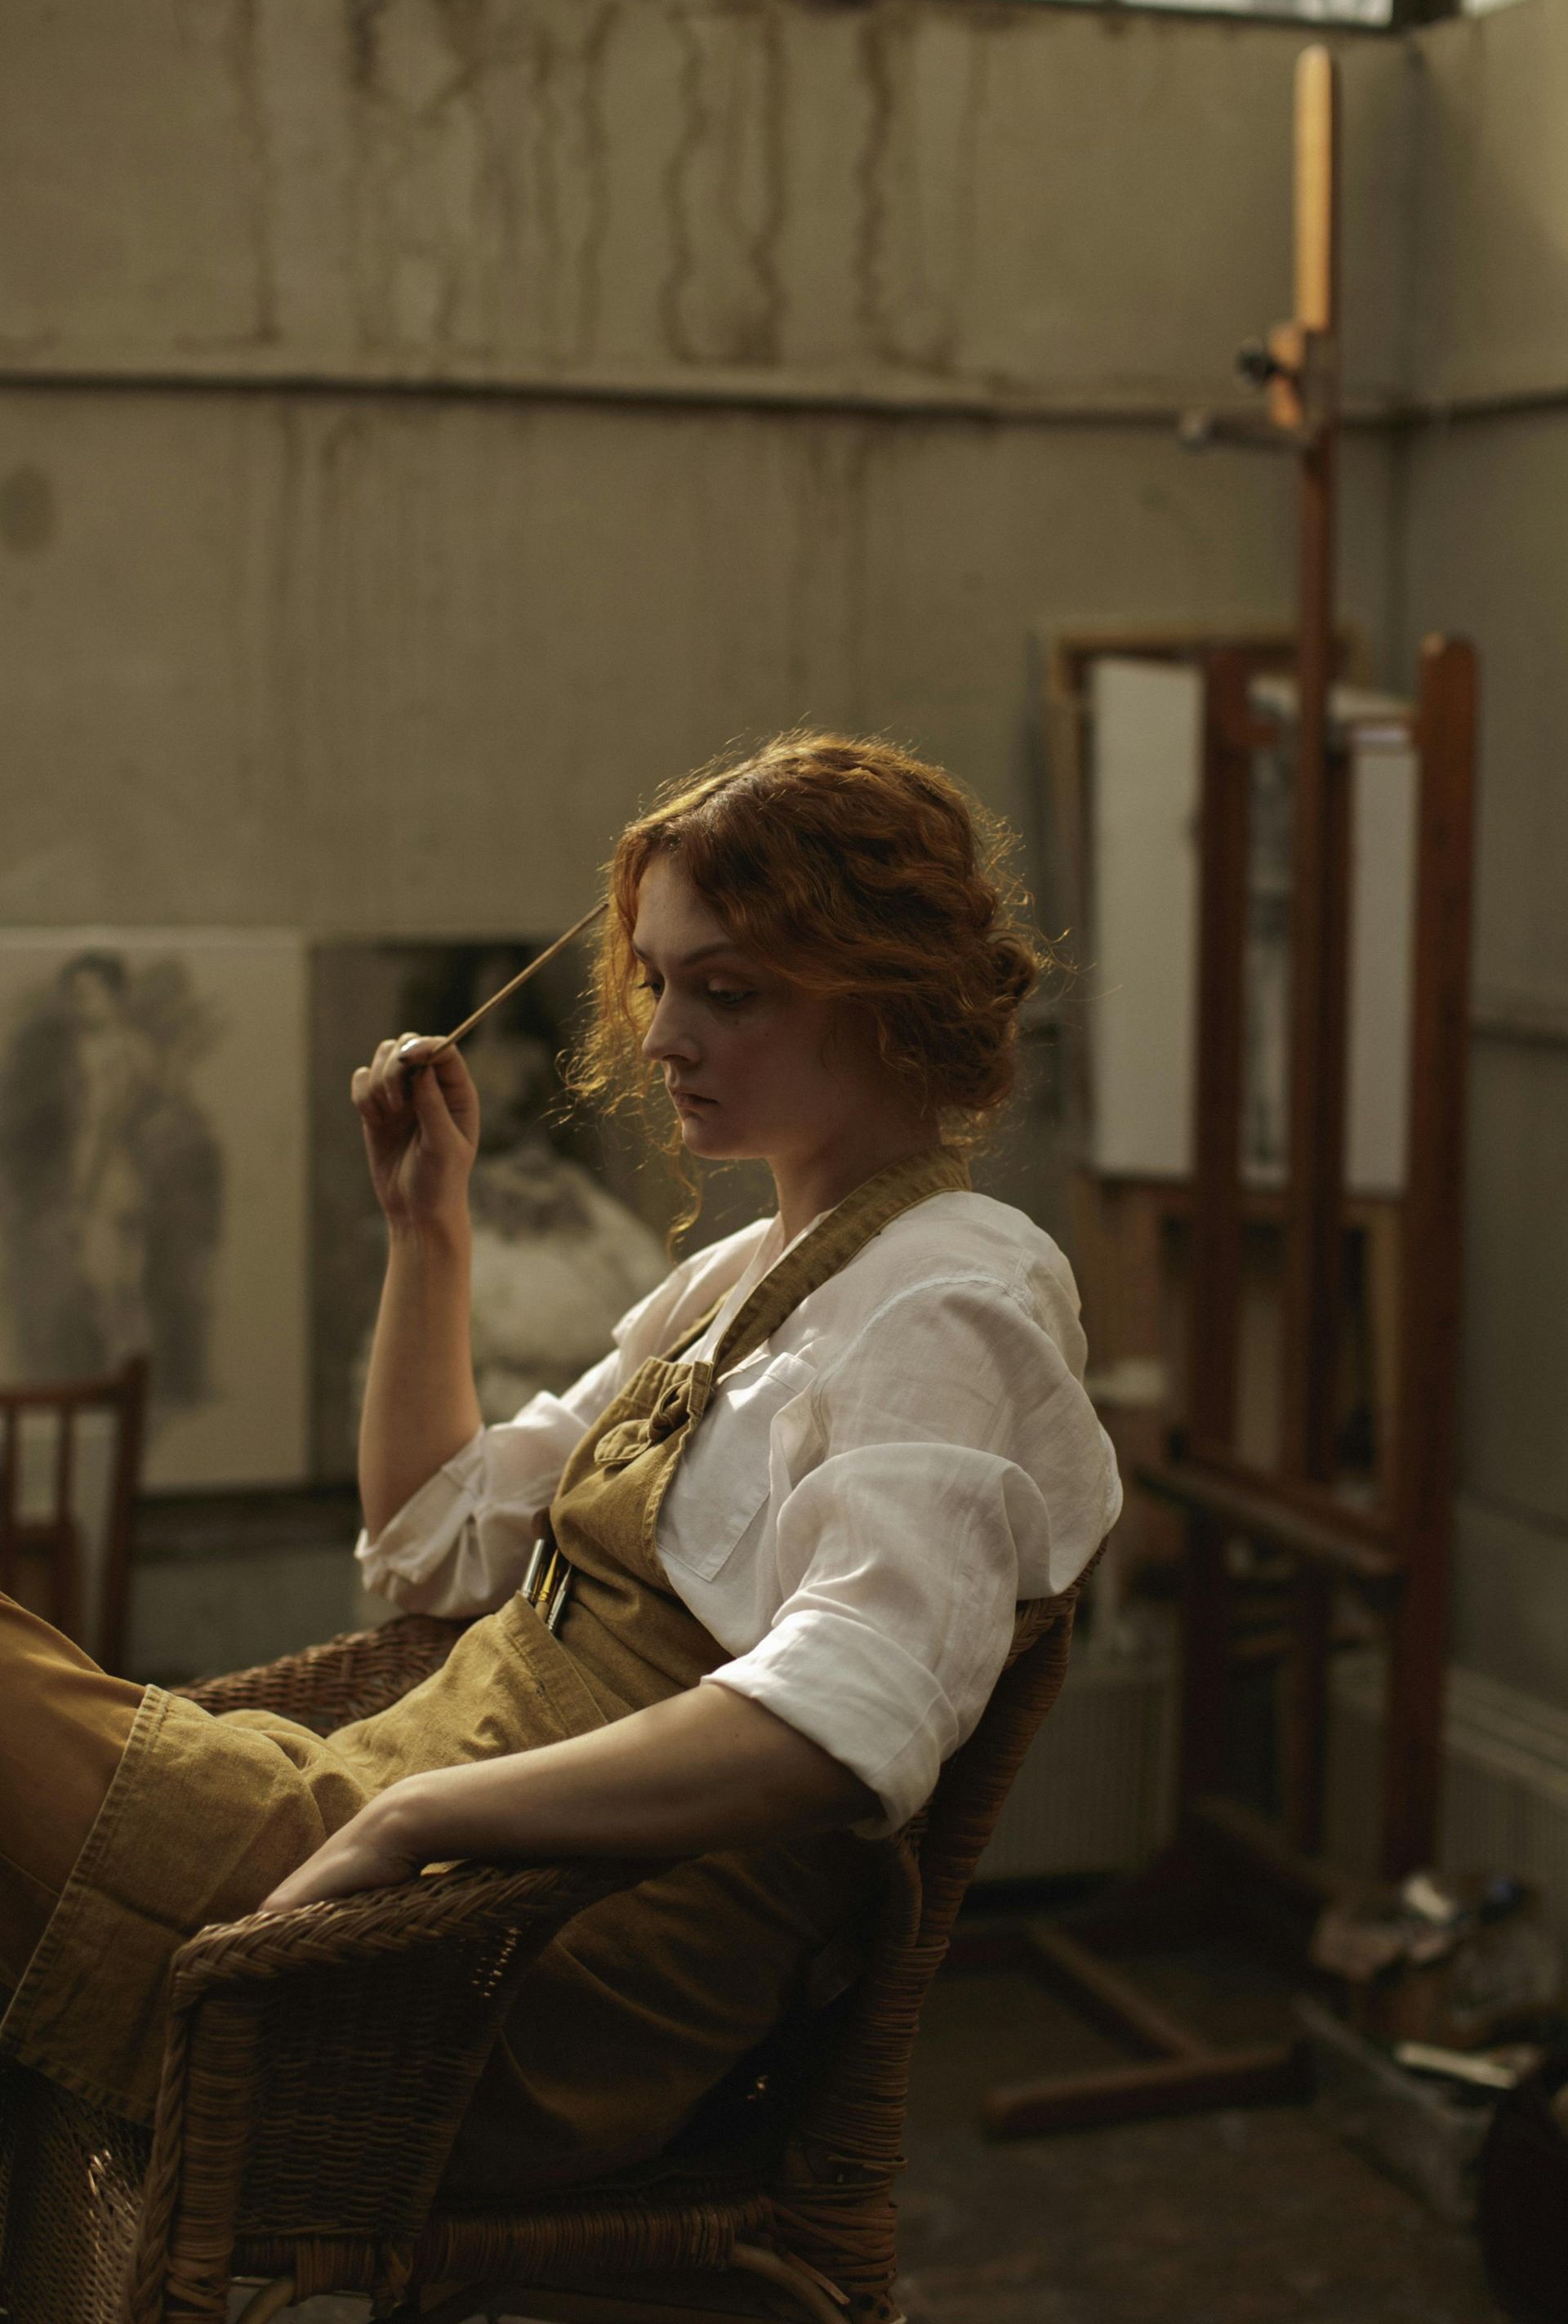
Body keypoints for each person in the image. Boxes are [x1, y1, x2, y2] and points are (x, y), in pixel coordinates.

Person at [0, 734, 1120, 2191]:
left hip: (521, 1969)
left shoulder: (954, 1295)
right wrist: (427, 1227)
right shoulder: (735, 1281)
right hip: (393, 1820)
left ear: (887, 997)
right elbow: (435, 1539)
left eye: (727, 992)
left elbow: (851, 1708)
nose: (663, 1041)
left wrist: (416, 1821)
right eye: (657, 984)